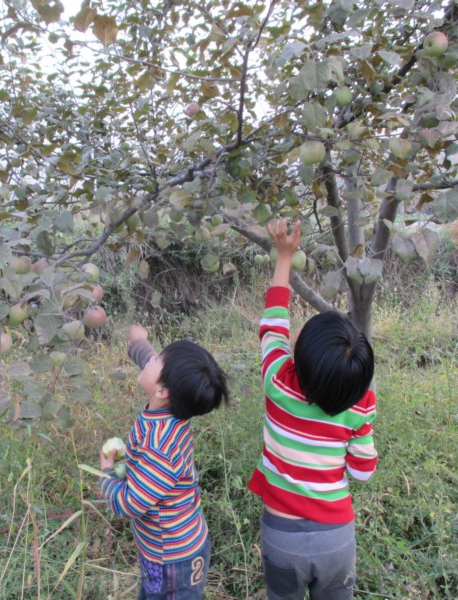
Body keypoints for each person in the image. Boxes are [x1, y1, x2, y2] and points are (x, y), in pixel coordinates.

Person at [248, 219, 378, 600]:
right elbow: (363, 471)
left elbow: (273, 325)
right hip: (335, 539)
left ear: (300, 356)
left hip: (281, 536)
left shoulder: (277, 381)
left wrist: (284, 255)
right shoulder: (359, 405)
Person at [99, 324, 230, 600]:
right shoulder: (170, 403)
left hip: (173, 560)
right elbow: (149, 362)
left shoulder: (159, 448)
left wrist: (107, 473)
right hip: (165, 550)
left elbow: (130, 504)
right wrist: (139, 342)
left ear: (162, 391)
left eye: (157, 359)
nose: (151, 358)